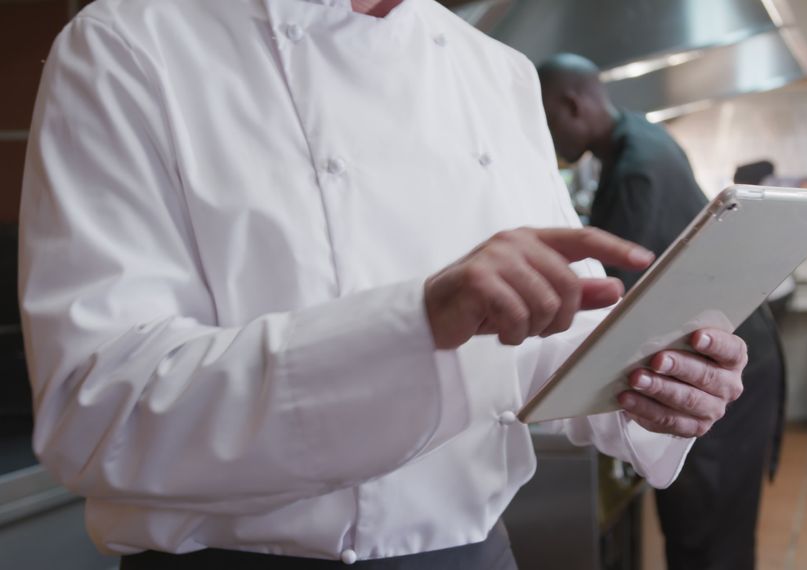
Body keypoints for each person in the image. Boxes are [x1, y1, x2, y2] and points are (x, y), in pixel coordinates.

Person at [19, 2, 749, 569]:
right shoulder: (128, 46)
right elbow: (96, 406)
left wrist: (654, 374)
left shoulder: (495, 70)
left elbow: (554, 340)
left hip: (477, 553)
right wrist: (418, 322)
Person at [537, 54, 785, 570]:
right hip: (729, 350)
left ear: (571, 104)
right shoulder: (642, 138)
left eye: (547, 119)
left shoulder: (635, 167)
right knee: (720, 526)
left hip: (716, 362)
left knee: (704, 529)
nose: (547, 135)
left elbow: (613, 295)